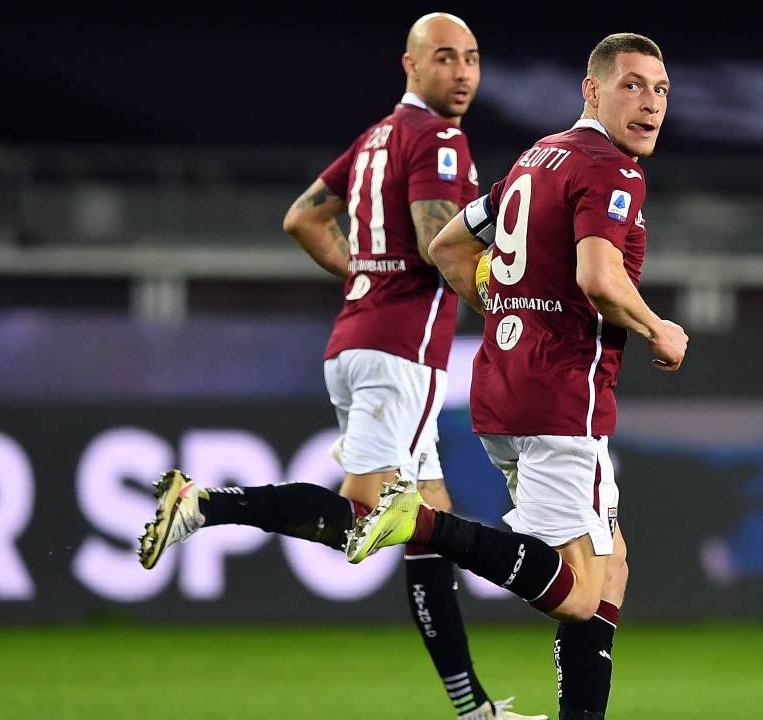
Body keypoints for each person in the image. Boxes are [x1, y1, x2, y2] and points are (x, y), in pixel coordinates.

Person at [136, 13, 544, 720]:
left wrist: (365, 279)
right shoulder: (440, 139)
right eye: (446, 58)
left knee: (428, 522)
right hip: (399, 354)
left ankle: (473, 709)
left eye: (473, 59)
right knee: (364, 517)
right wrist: (515, 305)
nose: (464, 73)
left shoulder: (376, 138)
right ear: (411, 65)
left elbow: (302, 218)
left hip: (356, 341)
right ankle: (202, 506)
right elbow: (435, 243)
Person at [346, 33, 687, 720]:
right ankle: (423, 524)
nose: (650, 104)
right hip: (564, 394)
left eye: (661, 90)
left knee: (610, 564)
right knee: (580, 594)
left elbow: (448, 246)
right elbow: (599, 277)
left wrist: (506, 307)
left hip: (503, 385)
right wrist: (659, 328)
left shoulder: (538, 158)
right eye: (632, 85)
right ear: (592, 90)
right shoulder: (613, 171)